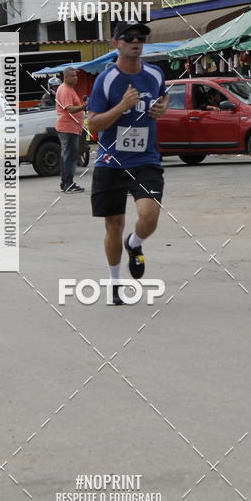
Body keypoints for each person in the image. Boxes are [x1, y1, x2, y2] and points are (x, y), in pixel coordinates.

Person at [87, 21, 169, 306]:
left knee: (149, 216)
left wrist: (161, 108)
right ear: (116, 43)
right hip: (111, 161)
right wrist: (122, 106)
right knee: (114, 224)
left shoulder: (154, 73)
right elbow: (92, 124)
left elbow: (163, 97)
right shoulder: (106, 79)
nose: (136, 42)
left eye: (141, 38)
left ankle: (134, 244)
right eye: (129, 37)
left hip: (145, 159)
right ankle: (114, 283)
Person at [55, 68, 86, 193]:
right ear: (66, 77)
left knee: (67, 155)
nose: (75, 78)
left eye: (76, 76)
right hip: (68, 127)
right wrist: (83, 107)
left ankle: (66, 183)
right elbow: (69, 109)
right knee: (70, 156)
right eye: (73, 76)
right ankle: (68, 184)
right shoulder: (65, 90)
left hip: (71, 127)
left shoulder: (68, 88)